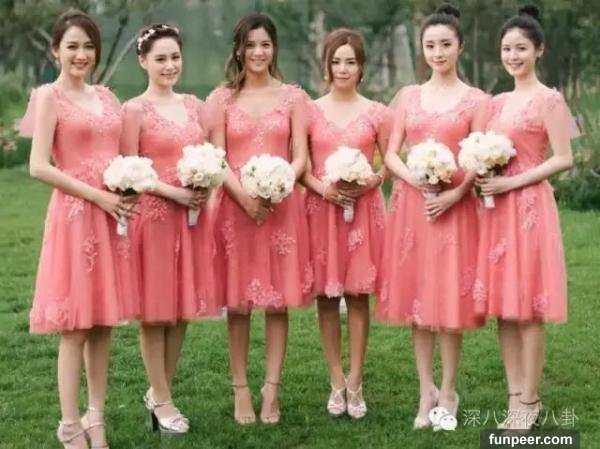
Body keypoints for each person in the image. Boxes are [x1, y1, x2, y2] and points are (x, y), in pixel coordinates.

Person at [20, 9, 138, 449]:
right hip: (75, 217)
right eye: (72, 46)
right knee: (75, 326)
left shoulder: (107, 97)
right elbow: (37, 166)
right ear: (56, 51)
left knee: (103, 322)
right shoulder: (48, 97)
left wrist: (129, 184)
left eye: (88, 46)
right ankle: (69, 423)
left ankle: (96, 417)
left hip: (111, 218)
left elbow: (122, 154)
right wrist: (96, 196)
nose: (81, 54)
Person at [375, 3, 490, 430]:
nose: (437, 53)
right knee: (418, 299)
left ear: (460, 47)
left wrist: (456, 191)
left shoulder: (476, 100)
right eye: (430, 45)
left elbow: (479, 156)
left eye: (445, 44)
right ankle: (425, 391)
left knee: (449, 299)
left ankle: (449, 389)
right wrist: (416, 180)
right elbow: (391, 152)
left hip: (455, 208)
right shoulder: (408, 96)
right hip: (414, 206)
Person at [474, 5, 579, 430]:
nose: (513, 56)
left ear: (539, 50)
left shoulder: (550, 99)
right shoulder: (497, 102)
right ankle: (514, 396)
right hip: (497, 212)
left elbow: (565, 158)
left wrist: (513, 182)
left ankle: (531, 400)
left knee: (529, 305)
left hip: (531, 207)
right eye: (506, 48)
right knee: (505, 306)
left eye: (521, 48)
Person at [206, 13, 313, 425]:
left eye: (265, 44)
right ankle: (240, 389)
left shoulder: (294, 97)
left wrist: (281, 182)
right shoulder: (221, 99)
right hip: (235, 209)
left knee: (276, 302)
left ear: (274, 49)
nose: (257, 52)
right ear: (238, 50)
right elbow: (218, 157)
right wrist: (245, 200)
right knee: (238, 304)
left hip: (281, 209)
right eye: (250, 45)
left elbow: (300, 156)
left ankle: (272, 389)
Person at [302, 28, 389, 419]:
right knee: (326, 295)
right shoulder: (309, 111)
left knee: (357, 295)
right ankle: (335, 378)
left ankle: (356, 379)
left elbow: (389, 161)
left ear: (361, 67)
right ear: (326, 65)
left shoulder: (377, 112)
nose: (343, 68)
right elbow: (301, 166)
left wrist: (372, 180)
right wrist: (324, 188)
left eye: (350, 62)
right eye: (336, 61)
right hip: (321, 210)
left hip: (362, 212)